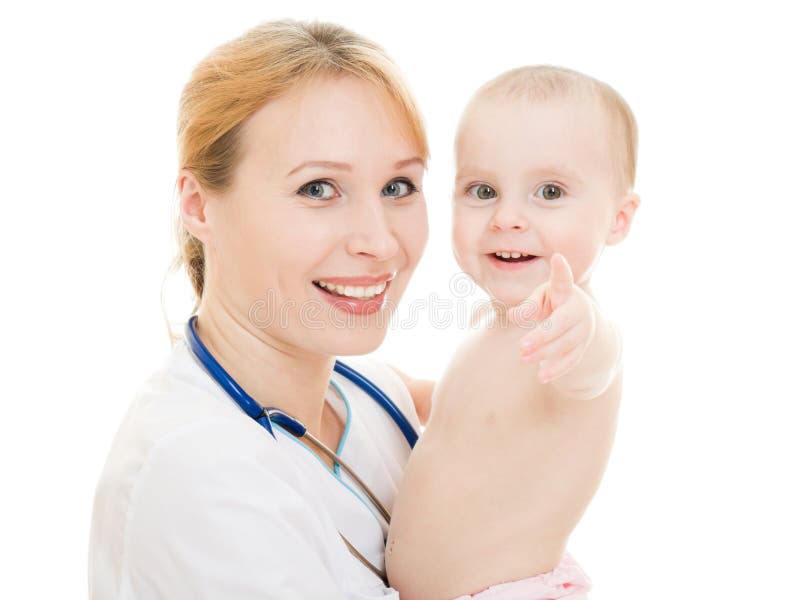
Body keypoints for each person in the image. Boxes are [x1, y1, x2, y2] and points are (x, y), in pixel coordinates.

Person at [87, 20, 436, 598]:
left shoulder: (371, 397)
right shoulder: (198, 469)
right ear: (200, 206)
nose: (379, 240)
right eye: (318, 188)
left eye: (398, 186)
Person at [385, 66, 641, 599]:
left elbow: (595, 364)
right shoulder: (496, 324)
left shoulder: (575, 330)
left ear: (618, 218)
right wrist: (405, 391)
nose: (507, 216)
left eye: (549, 191)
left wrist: (582, 328)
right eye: (483, 190)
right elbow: (480, 421)